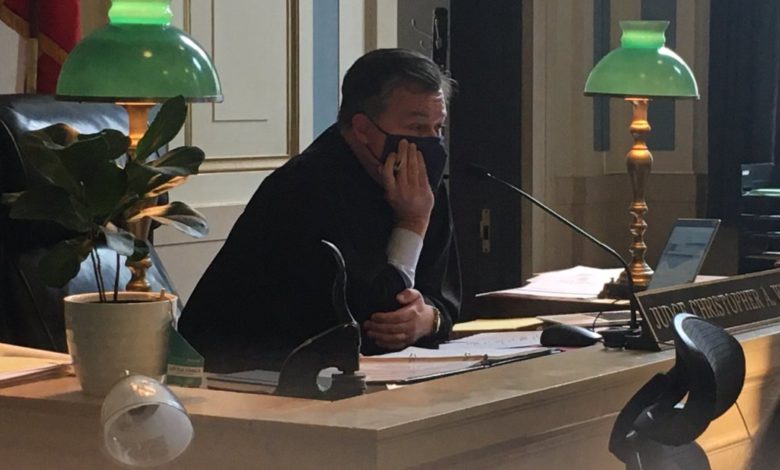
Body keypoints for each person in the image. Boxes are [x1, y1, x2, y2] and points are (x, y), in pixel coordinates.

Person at [179, 49, 461, 371]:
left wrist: (428, 319)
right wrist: (412, 222)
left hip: (370, 374)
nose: (432, 142)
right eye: (417, 128)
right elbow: (370, 321)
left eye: (438, 128)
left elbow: (444, 298)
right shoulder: (304, 187)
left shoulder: (419, 180)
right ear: (362, 129)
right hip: (250, 372)